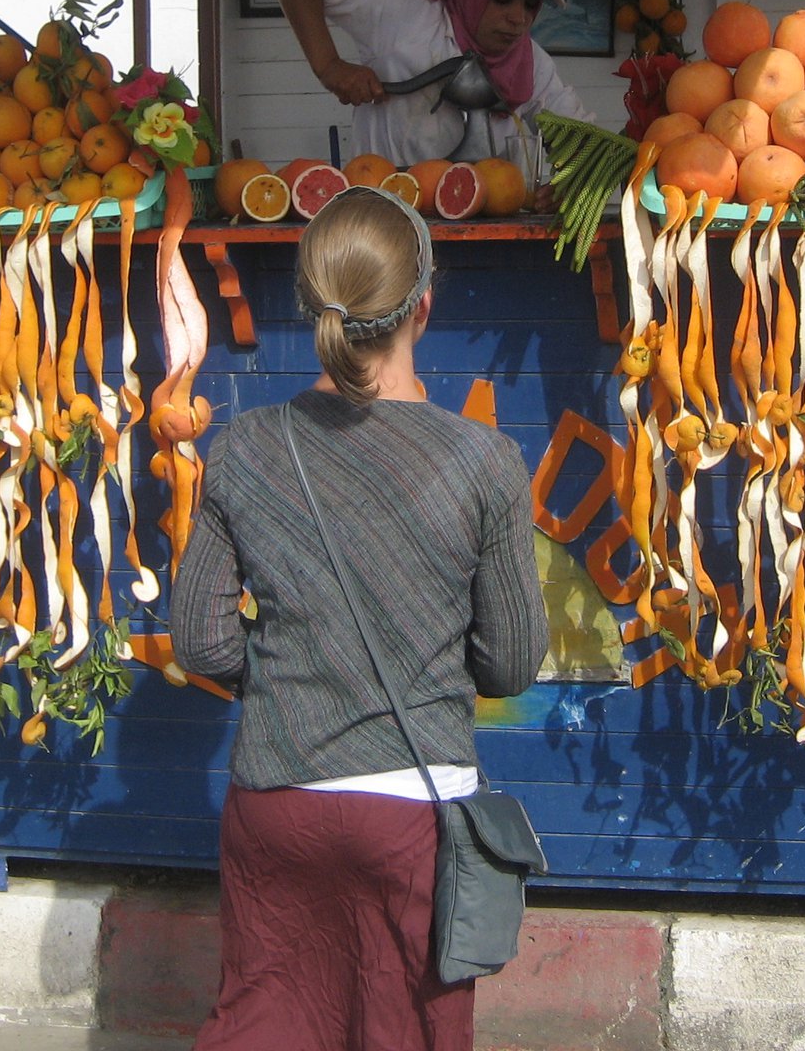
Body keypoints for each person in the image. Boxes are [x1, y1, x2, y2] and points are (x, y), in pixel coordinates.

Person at [175, 187, 546, 1051]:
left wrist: (292, 688)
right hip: (415, 814)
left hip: (279, 801)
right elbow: (512, 666)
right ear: (423, 302)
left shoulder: (244, 447)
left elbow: (201, 639)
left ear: (309, 303)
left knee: (264, 1022)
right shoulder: (484, 462)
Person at [268, 0, 591, 170]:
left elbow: (582, 142)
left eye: (530, 4)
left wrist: (570, 183)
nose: (518, 18)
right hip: (385, 223)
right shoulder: (403, 20)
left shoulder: (533, 66)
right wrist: (329, 66)